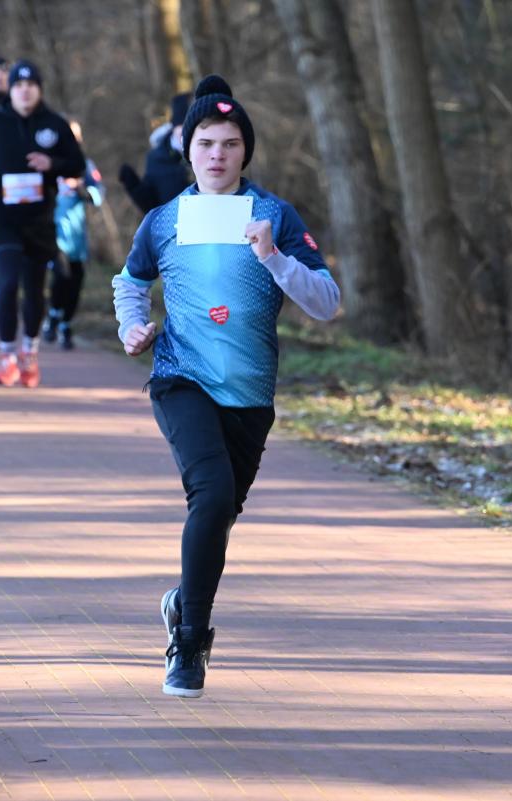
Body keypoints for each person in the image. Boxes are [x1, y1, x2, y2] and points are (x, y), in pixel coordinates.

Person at [112, 75, 340, 697]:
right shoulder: (164, 219)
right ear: (188, 150)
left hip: (250, 393)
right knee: (210, 498)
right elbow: (129, 281)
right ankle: (189, 644)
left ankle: (183, 600)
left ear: (246, 151)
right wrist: (133, 326)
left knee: (218, 518)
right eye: (206, 143)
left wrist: (274, 258)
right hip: (180, 377)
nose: (218, 154)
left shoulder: (274, 216)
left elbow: (326, 303)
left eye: (231, 143)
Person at [0, 60, 84, 388]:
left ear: (39, 89)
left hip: (39, 220)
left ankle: (29, 353)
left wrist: (52, 163)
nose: (25, 91)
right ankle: (7, 357)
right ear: (11, 90)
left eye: (31, 85)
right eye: (18, 85)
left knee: (34, 290)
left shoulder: (54, 124)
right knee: (7, 285)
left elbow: (76, 164)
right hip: (2, 218)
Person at [43, 119, 103, 350]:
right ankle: (53, 315)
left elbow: (98, 195)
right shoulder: (47, 162)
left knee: (76, 280)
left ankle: (65, 323)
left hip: (76, 235)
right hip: (53, 232)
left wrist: (81, 189)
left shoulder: (84, 165)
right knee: (61, 274)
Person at [118, 92, 191, 214]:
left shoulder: (212, 156)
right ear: (174, 127)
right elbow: (153, 205)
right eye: (184, 127)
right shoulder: (156, 159)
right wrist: (135, 189)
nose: (189, 135)